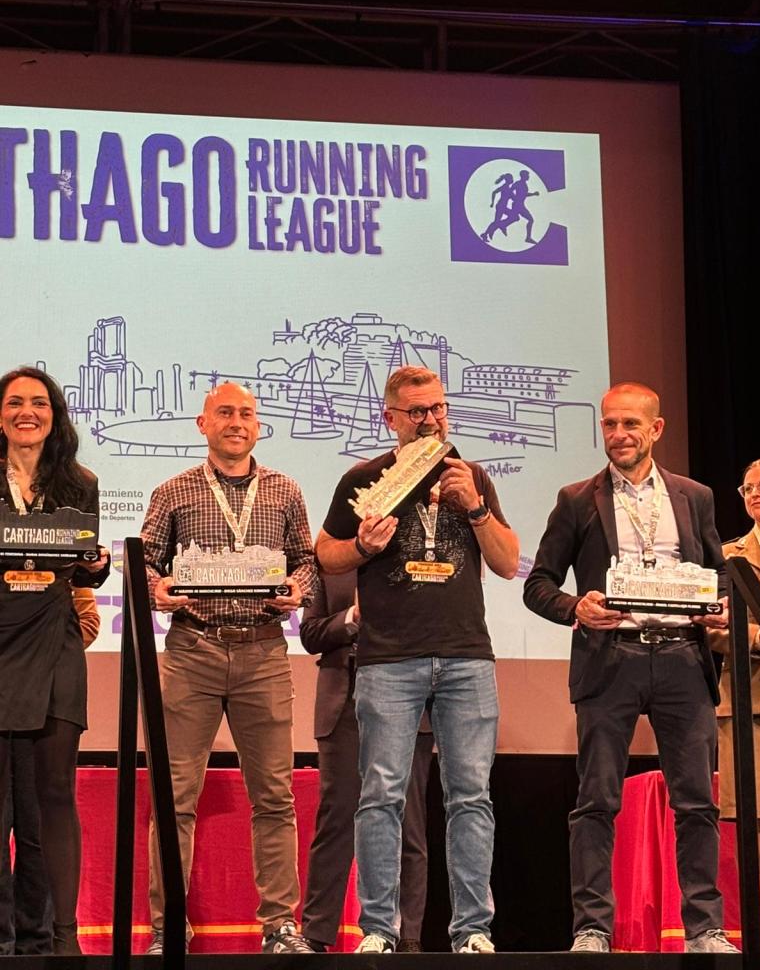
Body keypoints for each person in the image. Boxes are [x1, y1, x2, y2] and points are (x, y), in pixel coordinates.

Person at [523, 381, 738, 955]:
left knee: (697, 802)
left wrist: (718, 604)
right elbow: (538, 584)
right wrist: (576, 607)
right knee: (596, 801)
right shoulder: (577, 498)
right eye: (609, 424)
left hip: (682, 658)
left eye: (630, 425)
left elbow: (719, 573)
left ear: (656, 429)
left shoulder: (694, 496)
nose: (618, 435)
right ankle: (593, 928)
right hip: (611, 659)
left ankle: (704, 929)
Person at [316, 365, 519, 954]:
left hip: (466, 657)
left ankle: (472, 930)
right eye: (417, 412)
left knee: (471, 796)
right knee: (381, 795)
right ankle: (379, 930)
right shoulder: (365, 478)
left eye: (438, 408)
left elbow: (508, 563)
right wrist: (362, 546)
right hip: (388, 659)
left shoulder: (472, 476)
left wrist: (475, 509)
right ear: (391, 418)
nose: (430, 420)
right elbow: (325, 553)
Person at [140, 381, 317, 955]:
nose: (236, 422)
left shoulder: (285, 490)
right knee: (174, 798)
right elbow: (143, 562)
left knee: (275, 798)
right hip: (192, 651)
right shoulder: (173, 492)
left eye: (246, 414)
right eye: (224, 413)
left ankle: (280, 926)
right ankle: (168, 927)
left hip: (264, 651)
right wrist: (156, 588)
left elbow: (307, 561)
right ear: (203, 424)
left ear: (258, 426)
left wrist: (299, 588)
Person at [0, 366, 109, 956]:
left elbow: (82, 567)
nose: (27, 413)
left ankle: (63, 941)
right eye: (15, 403)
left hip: (54, 638)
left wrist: (96, 565)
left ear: (54, 415)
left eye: (39, 403)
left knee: (56, 793)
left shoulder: (79, 482)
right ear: (0, 416)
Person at [299, 570, 433, 953]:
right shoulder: (331, 560)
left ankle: (408, 938)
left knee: (408, 823)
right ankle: (316, 935)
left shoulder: (417, 555)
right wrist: (352, 618)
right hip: (344, 700)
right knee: (337, 819)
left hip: (409, 699)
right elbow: (310, 634)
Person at [0, 588, 100, 956]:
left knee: (51, 801)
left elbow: (89, 610)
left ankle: (57, 938)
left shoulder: (64, 549)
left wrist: (96, 565)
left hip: (54, 652)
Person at [709, 458, 760, 947]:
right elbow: (710, 627)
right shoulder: (727, 556)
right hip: (751, 705)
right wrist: (757, 638)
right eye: (747, 488)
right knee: (759, 841)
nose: (755, 494)